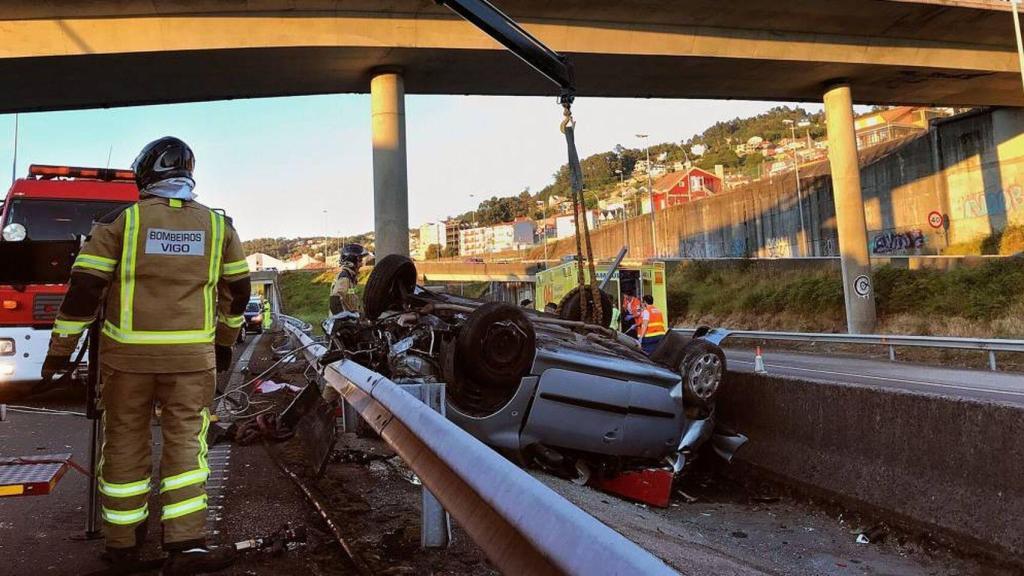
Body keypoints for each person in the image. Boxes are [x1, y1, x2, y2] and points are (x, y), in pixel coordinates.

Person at [41, 137, 250, 575]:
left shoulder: (120, 222)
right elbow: (238, 295)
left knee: (124, 441)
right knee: (187, 447)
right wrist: (225, 345)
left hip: (127, 361)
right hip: (192, 361)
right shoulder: (219, 227)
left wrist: (59, 354)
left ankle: (122, 542)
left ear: (144, 174)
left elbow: (84, 291)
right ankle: (186, 543)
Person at [329, 243, 369, 315]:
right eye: (360, 260)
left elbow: (350, 301)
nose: (362, 264)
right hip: (344, 324)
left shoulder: (350, 277)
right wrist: (343, 320)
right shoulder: (345, 277)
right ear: (352, 261)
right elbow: (335, 300)